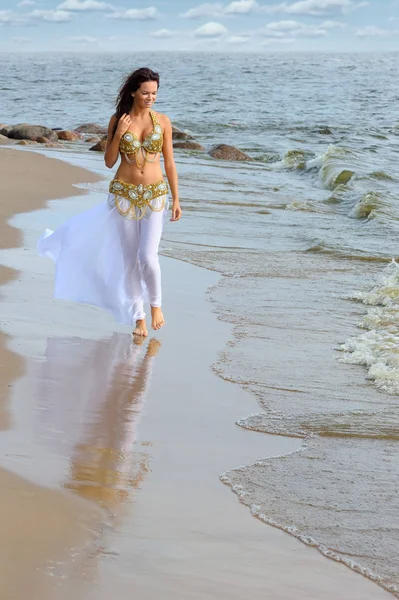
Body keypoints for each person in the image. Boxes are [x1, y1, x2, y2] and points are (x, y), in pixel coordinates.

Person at [38, 67, 181, 336]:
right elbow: (108, 161)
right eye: (146, 93)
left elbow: (170, 163)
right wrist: (117, 134)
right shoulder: (118, 119)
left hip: (155, 195)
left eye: (154, 93)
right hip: (123, 195)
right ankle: (138, 318)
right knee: (129, 260)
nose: (151, 97)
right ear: (133, 92)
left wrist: (176, 199)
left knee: (147, 257)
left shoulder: (162, 121)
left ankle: (156, 306)